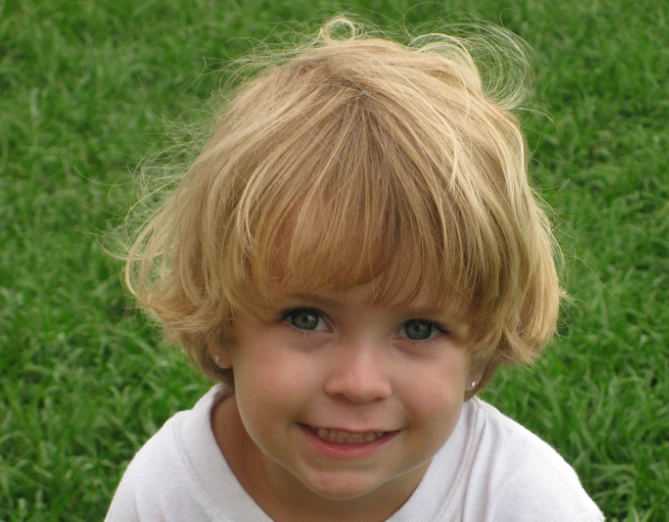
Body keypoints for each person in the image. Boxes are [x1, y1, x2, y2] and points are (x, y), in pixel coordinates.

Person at [106, 17, 604, 521]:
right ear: (221, 322)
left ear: (479, 348)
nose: (360, 383)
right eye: (307, 319)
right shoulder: (168, 494)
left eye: (419, 328)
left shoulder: (521, 501)